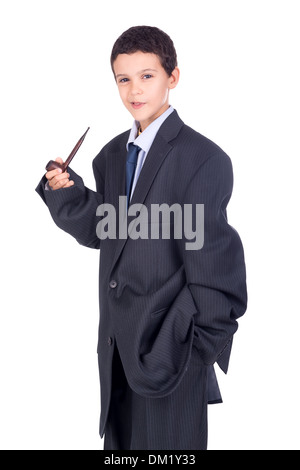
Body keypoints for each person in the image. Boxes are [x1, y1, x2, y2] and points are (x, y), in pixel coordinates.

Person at [36, 25, 247, 450]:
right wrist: (68, 192)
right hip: (116, 353)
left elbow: (217, 272)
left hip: (171, 355)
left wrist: (191, 350)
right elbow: (111, 231)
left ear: (173, 77)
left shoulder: (203, 159)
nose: (135, 89)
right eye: (123, 78)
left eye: (147, 75)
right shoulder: (112, 154)